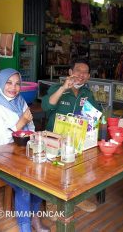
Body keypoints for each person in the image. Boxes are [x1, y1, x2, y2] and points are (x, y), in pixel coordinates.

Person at [0, 68, 49, 232]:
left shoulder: (20, 101)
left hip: (20, 153)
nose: (14, 87)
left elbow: (31, 126)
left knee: (41, 179)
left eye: (17, 83)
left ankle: (35, 219)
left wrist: (33, 134)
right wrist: (22, 121)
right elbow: (2, 140)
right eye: (9, 83)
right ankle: (24, 227)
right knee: (25, 186)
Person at [42, 59, 101, 214]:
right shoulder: (57, 88)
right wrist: (63, 88)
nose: (81, 75)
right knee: (53, 171)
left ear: (88, 76)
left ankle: (78, 198)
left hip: (76, 139)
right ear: (70, 72)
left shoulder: (87, 93)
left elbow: (94, 115)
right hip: (54, 137)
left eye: (85, 72)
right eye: (78, 71)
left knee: (78, 170)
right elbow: (46, 106)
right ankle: (51, 203)